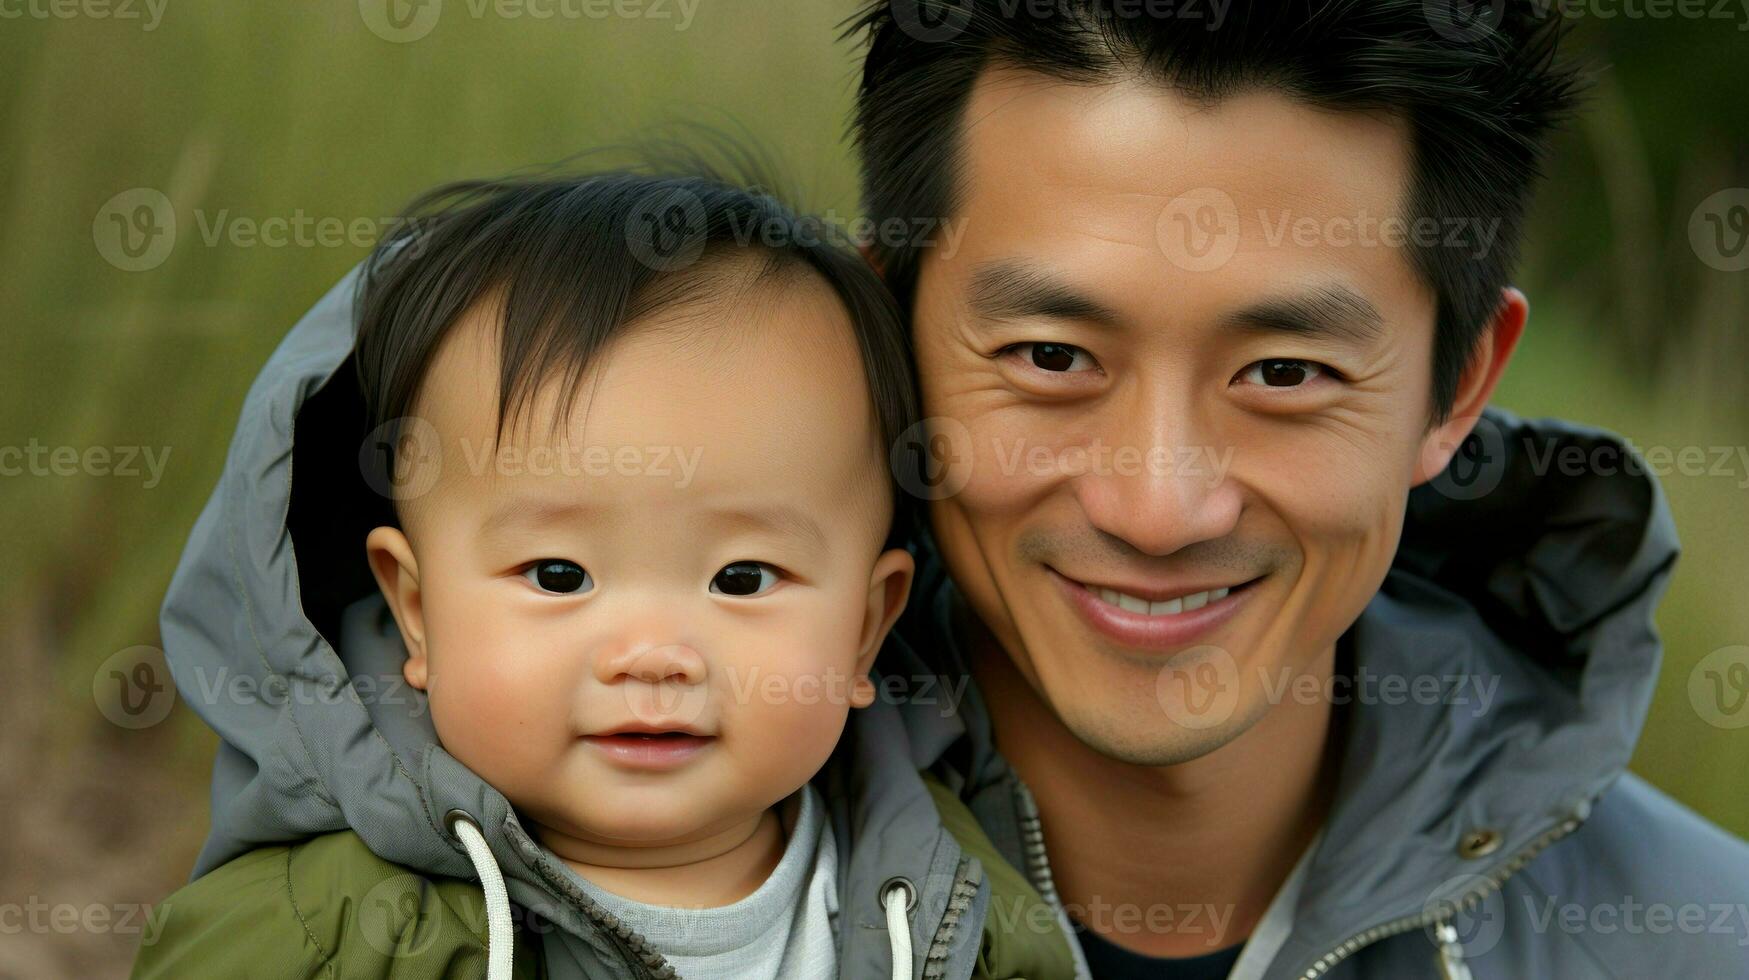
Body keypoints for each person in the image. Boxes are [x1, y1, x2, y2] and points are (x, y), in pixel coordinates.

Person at [848, 2, 1749, 977]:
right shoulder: (679, 920)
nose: (1158, 510)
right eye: (1052, 356)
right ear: (888, 342)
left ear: (1457, 389)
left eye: (1283, 373)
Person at [131, 172, 1076, 979]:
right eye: (558, 574)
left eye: (743, 579)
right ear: (416, 611)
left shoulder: (961, 922)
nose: (653, 655)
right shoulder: (316, 939)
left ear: (866, 627)